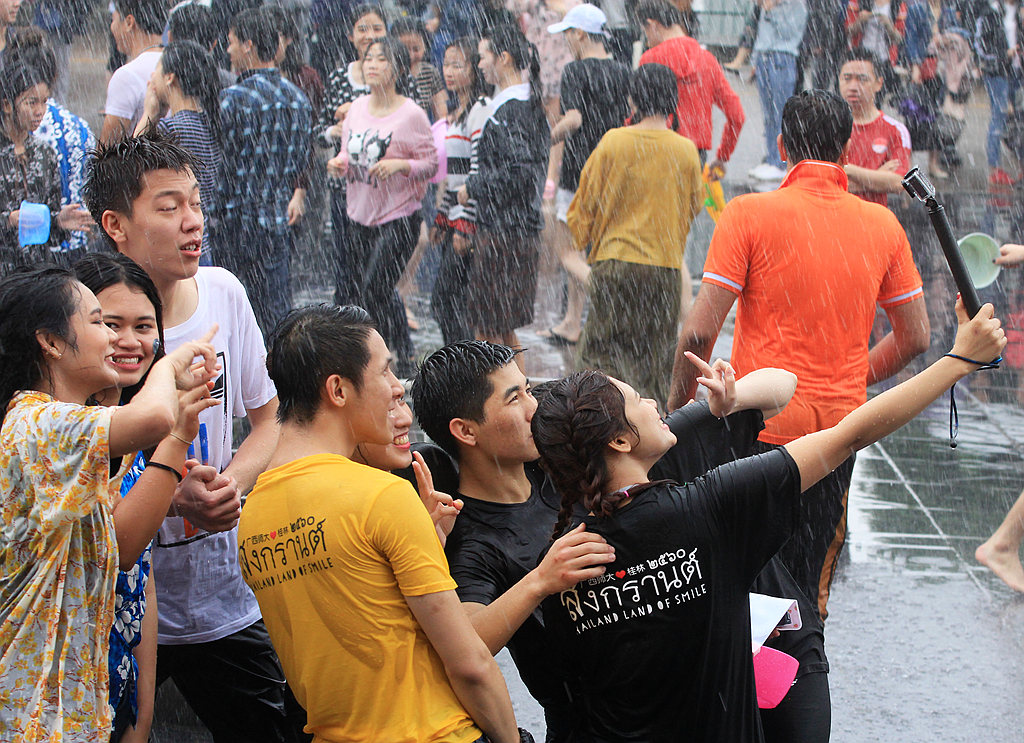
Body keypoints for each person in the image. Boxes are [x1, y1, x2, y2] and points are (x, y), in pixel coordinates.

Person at [532, 301, 1004, 742]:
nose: (654, 403)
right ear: (619, 441)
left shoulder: (560, 565)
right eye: (638, 400)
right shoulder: (710, 507)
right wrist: (960, 359)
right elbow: (848, 435)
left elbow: (570, 699)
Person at [411, 340, 802, 741]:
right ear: (464, 431)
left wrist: (729, 401)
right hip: (590, 726)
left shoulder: (578, 459)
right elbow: (463, 645)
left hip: (696, 701)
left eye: (529, 389)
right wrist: (539, 582)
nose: (534, 408)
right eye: (514, 400)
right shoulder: (473, 536)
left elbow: (783, 385)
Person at [669, 89, 931, 621]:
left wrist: (678, 416)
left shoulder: (748, 214)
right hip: (836, 436)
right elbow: (916, 338)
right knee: (806, 595)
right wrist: (853, 376)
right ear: (845, 151)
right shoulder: (882, 227)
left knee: (736, 584)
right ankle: (798, 687)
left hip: (756, 434)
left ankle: (742, 695)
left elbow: (698, 334)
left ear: (784, 146)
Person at [83, 128, 307, 742]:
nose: (192, 222)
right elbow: (76, 455)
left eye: (197, 203)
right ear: (116, 224)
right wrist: (167, 489)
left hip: (223, 598)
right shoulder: (90, 322)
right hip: (121, 602)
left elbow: (270, 419)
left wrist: (231, 483)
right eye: (168, 206)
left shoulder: (224, 294)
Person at [238, 305, 523, 743]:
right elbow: (470, 664)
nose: (396, 389)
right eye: (386, 372)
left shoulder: (253, 515)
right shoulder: (381, 496)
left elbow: (355, 623)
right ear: (337, 389)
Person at [0, 264, 218, 741]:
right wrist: (168, 368)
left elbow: (123, 557)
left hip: (70, 713)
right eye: (100, 322)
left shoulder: (70, 429)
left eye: (141, 327)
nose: (119, 340)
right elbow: (154, 415)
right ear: (51, 343)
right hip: (33, 719)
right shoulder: (36, 424)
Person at [74, 252, 220, 743]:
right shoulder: (64, 429)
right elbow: (117, 549)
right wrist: (176, 437)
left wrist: (144, 710)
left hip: (118, 669)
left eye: (144, 325)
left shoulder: (134, 421)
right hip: (61, 674)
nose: (130, 342)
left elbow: (142, 577)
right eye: (109, 323)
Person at [569, 63, 702, 406]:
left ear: (633, 98)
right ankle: (647, 441)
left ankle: (597, 434)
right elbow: (693, 206)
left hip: (615, 264)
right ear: (672, 101)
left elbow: (584, 204)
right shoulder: (686, 150)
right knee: (654, 364)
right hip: (663, 270)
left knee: (599, 358)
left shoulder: (614, 142)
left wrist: (579, 240)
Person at [326, 35, 437, 376]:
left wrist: (401, 165)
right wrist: (340, 162)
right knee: (363, 289)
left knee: (374, 289)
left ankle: (374, 364)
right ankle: (398, 353)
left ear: (398, 68)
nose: (371, 64)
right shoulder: (357, 107)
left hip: (399, 217)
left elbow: (431, 163)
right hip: (359, 215)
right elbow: (349, 149)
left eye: (381, 59)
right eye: (369, 58)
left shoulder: (411, 114)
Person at [539, 3, 629, 347]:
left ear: (579, 33)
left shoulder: (576, 71)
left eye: (567, 35)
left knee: (567, 253)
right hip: (611, 170)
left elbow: (574, 118)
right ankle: (572, 321)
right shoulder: (623, 72)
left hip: (579, 172)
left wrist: (546, 137)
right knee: (590, 248)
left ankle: (615, 303)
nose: (566, 43)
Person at [218, 6, 312, 335]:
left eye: (231, 42)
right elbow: (301, 161)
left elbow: (220, 169)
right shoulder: (299, 100)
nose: (227, 49)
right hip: (276, 224)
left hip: (232, 227)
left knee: (230, 316)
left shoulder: (231, 100)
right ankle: (278, 379)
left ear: (248, 45)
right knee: (275, 318)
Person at [457, 24, 550, 358]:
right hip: (513, 230)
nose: (480, 64)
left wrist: (474, 185)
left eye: (483, 57)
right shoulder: (523, 105)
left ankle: (508, 402)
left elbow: (519, 173)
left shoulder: (513, 109)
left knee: (490, 330)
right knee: (500, 328)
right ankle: (520, 400)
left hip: (505, 232)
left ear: (504, 58)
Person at [4, 29, 95, 264]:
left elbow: (47, 225)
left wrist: (58, 222)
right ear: (7, 105)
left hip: (38, 274)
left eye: (43, 101)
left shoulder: (44, 151)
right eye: (30, 102)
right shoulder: (76, 127)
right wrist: (8, 221)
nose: (39, 111)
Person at [317, 3, 385, 304]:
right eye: (362, 28)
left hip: (383, 190)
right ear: (350, 35)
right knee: (346, 269)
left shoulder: (392, 80)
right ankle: (346, 338)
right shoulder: (338, 78)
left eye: (376, 28)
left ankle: (384, 340)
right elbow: (319, 132)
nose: (369, 35)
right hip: (344, 188)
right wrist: (337, 130)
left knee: (379, 272)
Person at [135, 40, 224, 262]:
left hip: (176, 244)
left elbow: (129, 165)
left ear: (169, 77)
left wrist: (149, 113)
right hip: (202, 239)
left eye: (157, 69)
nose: (152, 77)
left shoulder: (173, 128)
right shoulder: (210, 121)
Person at [636, 0, 745, 173]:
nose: (648, 41)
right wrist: (723, 155)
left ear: (653, 24)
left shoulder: (650, 59)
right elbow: (737, 116)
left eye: (646, 32)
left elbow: (639, 112)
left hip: (658, 148)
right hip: (694, 155)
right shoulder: (708, 60)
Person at [431, 36, 490, 344]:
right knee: (448, 302)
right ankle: (460, 365)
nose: (449, 71)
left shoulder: (480, 109)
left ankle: (462, 365)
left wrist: (465, 225)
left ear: (473, 69)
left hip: (468, 224)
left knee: (447, 302)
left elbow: (476, 170)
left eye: (458, 64)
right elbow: (454, 175)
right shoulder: (458, 112)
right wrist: (442, 216)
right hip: (454, 219)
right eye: (446, 64)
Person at [839, 48, 912, 206]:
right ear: (839, 80)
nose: (853, 86)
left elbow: (900, 182)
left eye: (862, 79)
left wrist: (847, 170)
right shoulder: (827, 127)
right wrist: (877, 177)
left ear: (878, 83)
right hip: (833, 220)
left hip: (874, 221)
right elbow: (820, 185)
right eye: (847, 78)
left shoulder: (895, 129)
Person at [748, 0, 808, 182]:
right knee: (768, 114)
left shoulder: (797, 6)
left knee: (780, 113)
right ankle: (771, 157)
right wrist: (754, 59)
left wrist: (772, 10)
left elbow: (789, 33)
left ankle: (781, 163)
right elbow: (760, 34)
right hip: (764, 57)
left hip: (782, 57)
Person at [101, 0, 166, 143]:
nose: (112, 27)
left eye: (114, 19)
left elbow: (107, 152)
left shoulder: (126, 76)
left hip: (141, 165)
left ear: (129, 22)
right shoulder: (178, 63)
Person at [974, 0, 1023, 185]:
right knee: (999, 116)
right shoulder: (991, 11)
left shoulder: (1018, 10)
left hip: (1018, 72)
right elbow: (980, 45)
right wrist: (1004, 55)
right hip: (997, 73)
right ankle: (994, 169)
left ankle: (1020, 168)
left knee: (1018, 119)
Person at [393, 17, 448, 120]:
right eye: (404, 49)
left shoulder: (430, 73)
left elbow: (442, 115)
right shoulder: (387, 73)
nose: (410, 55)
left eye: (416, 49)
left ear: (425, 47)